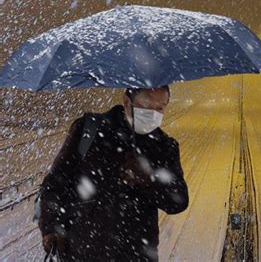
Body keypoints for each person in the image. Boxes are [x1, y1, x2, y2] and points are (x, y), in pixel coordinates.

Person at [39, 86, 189, 261]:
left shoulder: (164, 147)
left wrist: (148, 178)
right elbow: (56, 182)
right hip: (82, 251)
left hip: (135, 254)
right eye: (147, 106)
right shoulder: (90, 129)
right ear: (127, 101)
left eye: (160, 108)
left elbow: (178, 201)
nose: (154, 114)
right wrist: (50, 228)